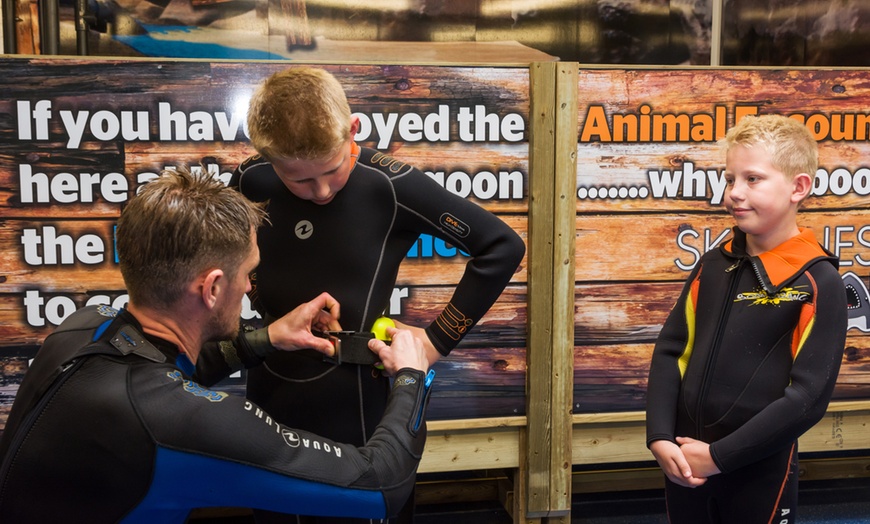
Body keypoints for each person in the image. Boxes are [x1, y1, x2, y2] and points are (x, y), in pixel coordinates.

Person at [0, 168, 434, 523]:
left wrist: (267, 338)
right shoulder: (182, 422)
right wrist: (410, 379)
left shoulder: (79, 330)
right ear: (211, 288)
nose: (249, 286)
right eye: (249, 273)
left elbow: (159, 372)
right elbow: (380, 485)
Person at [232, 66, 526, 523]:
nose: (322, 191)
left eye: (332, 170)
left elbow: (502, 246)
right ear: (268, 159)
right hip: (269, 388)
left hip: (360, 404)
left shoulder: (388, 186)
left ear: (354, 129)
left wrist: (433, 344)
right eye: (300, 181)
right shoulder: (253, 180)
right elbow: (232, 261)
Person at [645, 114, 847, 524]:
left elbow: (807, 399)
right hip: (685, 462)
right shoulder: (714, 264)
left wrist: (719, 457)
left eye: (753, 179)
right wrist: (660, 437)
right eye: (730, 178)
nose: (735, 193)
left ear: (798, 187)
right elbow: (671, 352)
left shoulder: (817, 280)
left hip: (757, 471)